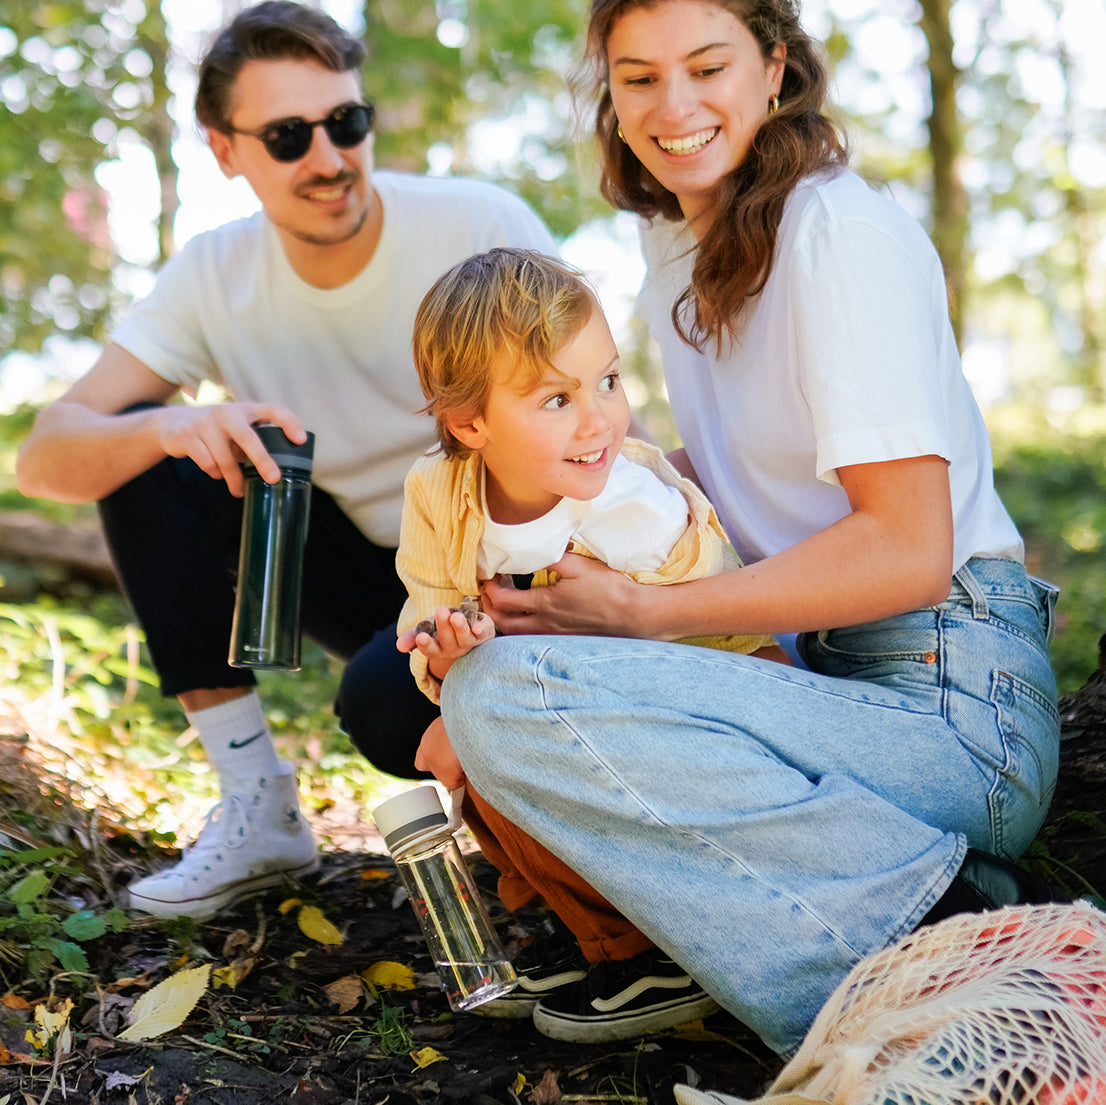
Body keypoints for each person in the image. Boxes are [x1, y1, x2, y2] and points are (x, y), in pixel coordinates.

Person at [423, 0, 1066, 1054]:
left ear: (774, 69)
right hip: (808, 682)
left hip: (947, 705)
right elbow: (723, 480)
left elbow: (907, 549)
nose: (672, 106)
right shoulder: (679, 237)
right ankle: (783, 926)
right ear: (611, 95)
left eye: (707, 66)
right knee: (480, 670)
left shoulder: (835, 235)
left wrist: (641, 613)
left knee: (508, 697)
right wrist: (533, 556)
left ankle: (941, 961)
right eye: (636, 77)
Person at [14, 0, 557, 923]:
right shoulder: (212, 273)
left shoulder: (477, 224)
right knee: (140, 450)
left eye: (346, 122)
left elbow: (586, 424)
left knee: (384, 707)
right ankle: (258, 807)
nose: (329, 157)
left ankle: (552, 825)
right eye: (287, 135)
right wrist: (167, 426)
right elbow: (47, 458)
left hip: (507, 571)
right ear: (224, 149)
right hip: (359, 570)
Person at [395, 246, 787, 1030]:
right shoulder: (438, 492)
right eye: (556, 399)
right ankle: (579, 927)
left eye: (608, 380)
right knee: (465, 746)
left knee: (499, 737)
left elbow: (707, 627)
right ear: (469, 422)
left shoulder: (628, 498)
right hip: (555, 706)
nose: (599, 417)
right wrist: (444, 657)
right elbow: (425, 608)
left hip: (700, 694)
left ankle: (643, 947)